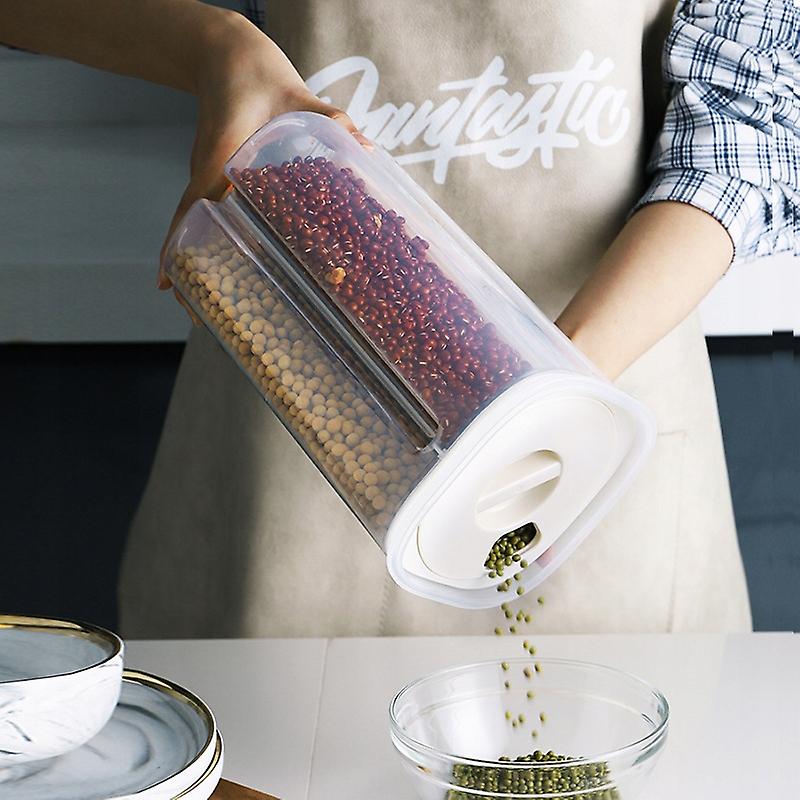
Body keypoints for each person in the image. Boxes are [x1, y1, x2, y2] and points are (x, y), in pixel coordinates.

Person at [4, 1, 796, 637]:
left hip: (596, 432)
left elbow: (745, 136)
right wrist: (218, 48)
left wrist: (550, 400)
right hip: (299, 445)